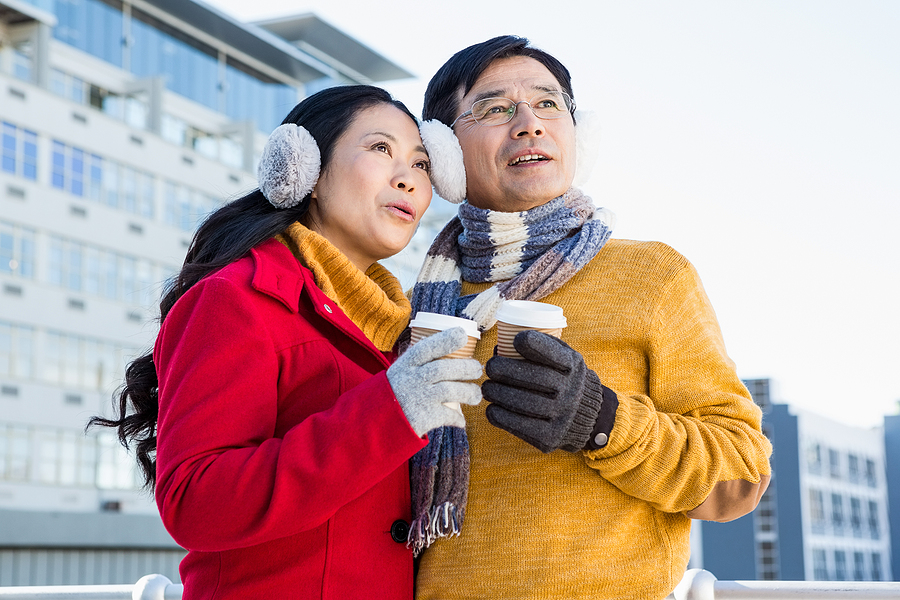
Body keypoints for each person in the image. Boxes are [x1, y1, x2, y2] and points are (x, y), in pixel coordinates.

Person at [408, 36, 773, 600]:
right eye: (495, 107)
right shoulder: (419, 302)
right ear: (444, 154)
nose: (529, 123)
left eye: (549, 103)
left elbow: (742, 477)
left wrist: (602, 422)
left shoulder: (652, 274)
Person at [88, 85, 483, 600]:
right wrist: (389, 409)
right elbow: (196, 501)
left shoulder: (401, 334)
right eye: (380, 148)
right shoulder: (236, 300)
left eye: (423, 163)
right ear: (307, 171)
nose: (408, 176)